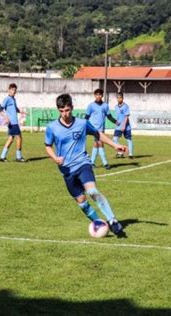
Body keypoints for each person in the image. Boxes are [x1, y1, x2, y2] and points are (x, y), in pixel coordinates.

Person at [45, 93, 126, 236]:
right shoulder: (52, 127)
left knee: (92, 191)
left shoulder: (82, 123)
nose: (65, 114)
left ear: (72, 108)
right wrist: (54, 158)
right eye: (62, 111)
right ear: (58, 110)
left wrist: (114, 145)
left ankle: (113, 221)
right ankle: (100, 223)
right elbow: (48, 146)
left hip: (83, 163)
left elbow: (97, 134)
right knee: (81, 201)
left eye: (67, 110)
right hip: (66, 170)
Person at [85, 88, 117, 169]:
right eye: (97, 95)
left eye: (100, 94)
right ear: (94, 95)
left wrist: (115, 121)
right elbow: (86, 117)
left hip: (101, 128)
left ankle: (92, 163)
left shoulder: (105, 106)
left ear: (102, 95)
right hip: (93, 128)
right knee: (100, 143)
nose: (98, 96)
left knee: (96, 144)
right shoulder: (91, 106)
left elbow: (109, 116)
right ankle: (105, 163)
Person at [0, 83, 25, 162]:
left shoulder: (13, 99)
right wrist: (5, 117)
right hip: (12, 122)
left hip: (14, 122)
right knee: (19, 138)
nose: (14, 91)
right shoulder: (7, 99)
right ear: (9, 90)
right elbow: (0, 109)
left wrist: (21, 111)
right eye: (12, 90)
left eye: (15, 90)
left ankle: (2, 157)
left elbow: (15, 109)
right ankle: (18, 157)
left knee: (11, 139)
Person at [113, 92, 134, 159]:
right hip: (118, 126)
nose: (119, 99)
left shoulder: (126, 106)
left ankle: (130, 154)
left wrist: (124, 125)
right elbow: (118, 116)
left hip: (126, 126)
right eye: (117, 98)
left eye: (120, 97)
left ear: (122, 98)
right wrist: (116, 122)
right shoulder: (116, 107)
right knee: (114, 139)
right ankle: (120, 152)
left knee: (129, 139)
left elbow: (126, 117)